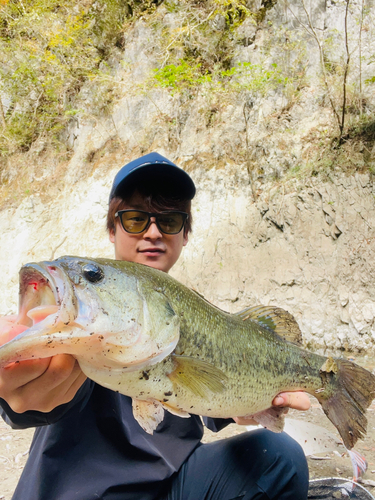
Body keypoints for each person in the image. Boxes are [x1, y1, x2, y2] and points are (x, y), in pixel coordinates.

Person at [0, 152, 310, 500]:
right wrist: (22, 392)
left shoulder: (193, 313)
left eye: (170, 221)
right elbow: (34, 396)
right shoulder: (86, 315)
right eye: (134, 219)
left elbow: (203, 399)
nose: (152, 232)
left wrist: (247, 406)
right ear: (111, 229)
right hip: (75, 493)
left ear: (185, 234)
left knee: (280, 456)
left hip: (170, 489)